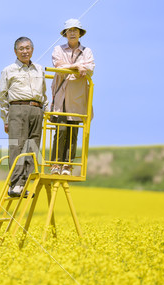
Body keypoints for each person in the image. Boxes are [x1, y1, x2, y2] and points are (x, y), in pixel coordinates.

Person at [0, 37, 48, 197]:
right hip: (17, 108)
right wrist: (6, 118)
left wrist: (44, 111)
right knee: (17, 146)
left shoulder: (39, 69)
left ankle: (24, 183)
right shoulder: (9, 70)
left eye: (27, 48)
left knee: (32, 147)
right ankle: (15, 184)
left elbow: (44, 93)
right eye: (21, 48)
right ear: (15, 51)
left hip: (37, 109)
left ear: (32, 49)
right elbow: (1, 96)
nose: (25, 51)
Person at [50, 19, 95, 175]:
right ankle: (55, 164)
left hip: (77, 98)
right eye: (70, 30)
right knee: (61, 130)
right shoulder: (58, 49)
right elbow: (58, 66)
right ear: (65, 34)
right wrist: (76, 66)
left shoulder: (86, 51)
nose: (73, 33)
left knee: (73, 132)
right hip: (61, 96)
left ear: (80, 33)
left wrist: (80, 67)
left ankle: (68, 165)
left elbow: (90, 68)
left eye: (75, 30)